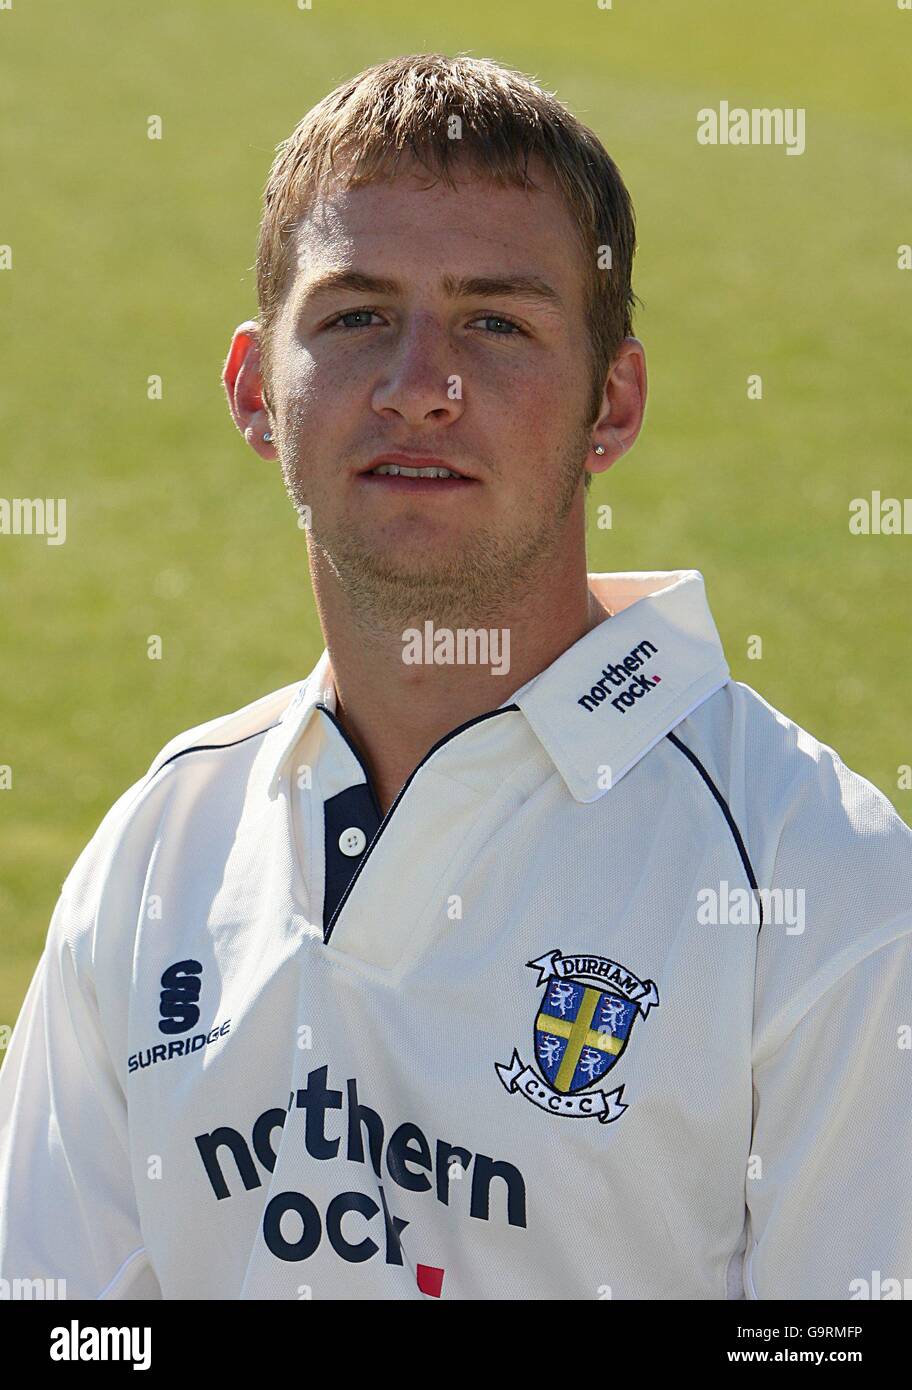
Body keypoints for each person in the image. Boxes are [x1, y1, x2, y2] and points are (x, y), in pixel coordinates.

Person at [1, 53, 909, 1302]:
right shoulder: (156, 853)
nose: (421, 385)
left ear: (614, 402)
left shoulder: (816, 876)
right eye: (357, 314)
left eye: (498, 322)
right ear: (257, 390)